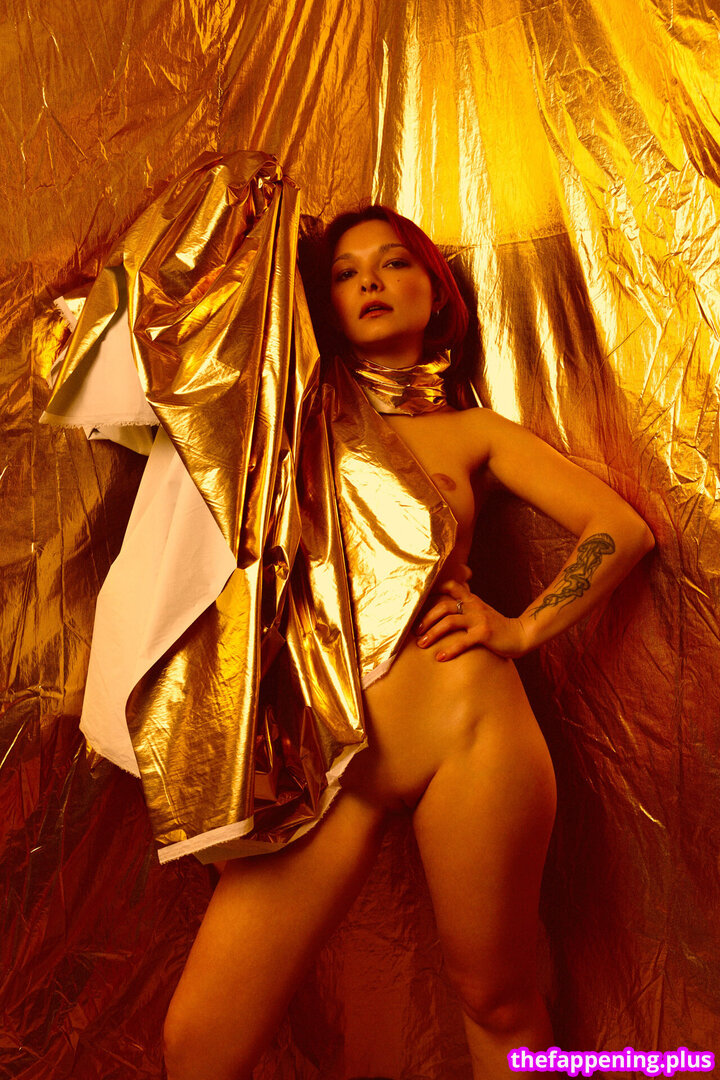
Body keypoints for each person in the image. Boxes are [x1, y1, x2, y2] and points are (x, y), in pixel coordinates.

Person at [162, 205, 654, 1080]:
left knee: (500, 1003)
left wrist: (521, 627)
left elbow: (620, 529)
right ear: (322, 303)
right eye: (346, 273)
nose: (371, 282)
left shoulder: (473, 433)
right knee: (199, 1042)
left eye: (393, 263)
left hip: (470, 733)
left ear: (436, 288)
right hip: (325, 757)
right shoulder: (285, 413)